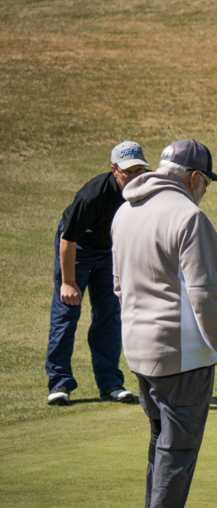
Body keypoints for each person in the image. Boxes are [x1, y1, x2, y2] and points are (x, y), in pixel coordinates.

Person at [111, 139, 217, 508]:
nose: (205, 190)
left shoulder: (125, 211)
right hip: (182, 353)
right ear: (194, 178)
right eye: (206, 181)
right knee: (179, 444)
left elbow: (119, 286)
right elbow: (205, 297)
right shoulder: (189, 217)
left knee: (162, 439)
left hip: (138, 348)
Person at [45, 141, 149, 406]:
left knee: (109, 316)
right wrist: (68, 282)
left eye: (140, 170)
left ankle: (110, 383)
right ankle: (59, 383)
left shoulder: (146, 191)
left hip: (109, 254)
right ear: (114, 170)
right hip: (76, 250)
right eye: (128, 171)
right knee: (66, 315)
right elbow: (67, 239)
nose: (135, 176)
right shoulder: (91, 196)